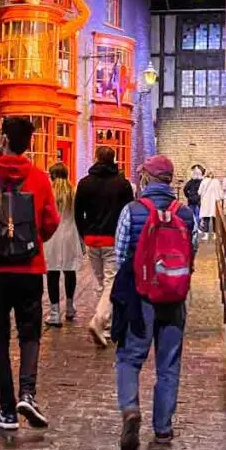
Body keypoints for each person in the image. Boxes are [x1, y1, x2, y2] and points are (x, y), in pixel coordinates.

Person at [0, 116, 60, 430]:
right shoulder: (39, 178)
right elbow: (51, 221)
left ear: (4, 138)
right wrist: (33, 240)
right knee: (30, 332)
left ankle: (7, 409)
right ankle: (28, 393)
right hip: (30, 268)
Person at [111, 155, 195, 450]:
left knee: (129, 358)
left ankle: (131, 409)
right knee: (169, 364)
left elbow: (120, 255)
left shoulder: (132, 210)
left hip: (140, 296)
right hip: (174, 296)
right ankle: (163, 428)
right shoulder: (184, 214)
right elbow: (192, 253)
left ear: (147, 178)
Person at [74, 146, 134, 347]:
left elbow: (78, 212)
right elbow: (129, 212)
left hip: (92, 237)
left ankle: (105, 323)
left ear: (96, 157)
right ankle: (101, 320)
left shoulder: (85, 183)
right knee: (111, 282)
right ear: (113, 159)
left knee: (101, 281)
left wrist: (84, 234)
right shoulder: (122, 184)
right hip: (113, 238)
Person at [44, 163, 84, 327]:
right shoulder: (73, 192)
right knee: (70, 271)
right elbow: (79, 215)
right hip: (69, 235)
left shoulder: (48, 193)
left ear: (53, 176)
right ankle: (69, 306)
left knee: (52, 273)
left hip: (52, 236)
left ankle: (54, 313)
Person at [199, 170, 223, 239]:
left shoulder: (204, 181)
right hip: (214, 202)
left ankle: (206, 235)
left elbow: (199, 192)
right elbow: (220, 192)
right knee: (215, 218)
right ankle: (215, 234)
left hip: (206, 202)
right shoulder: (216, 182)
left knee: (206, 218)